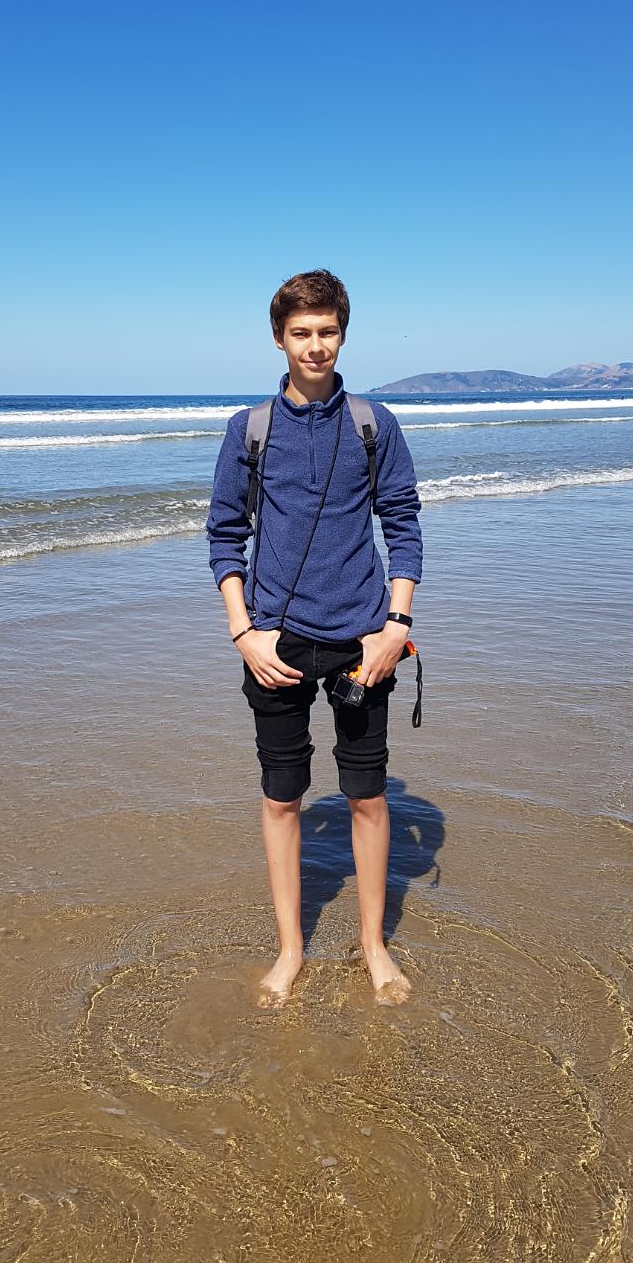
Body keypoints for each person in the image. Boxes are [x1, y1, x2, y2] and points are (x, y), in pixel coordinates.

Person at [206, 269, 424, 1008]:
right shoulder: (250, 429)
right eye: (301, 332)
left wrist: (394, 628)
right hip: (275, 643)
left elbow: (403, 526)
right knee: (281, 799)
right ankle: (290, 949)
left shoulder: (373, 423)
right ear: (279, 339)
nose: (315, 345)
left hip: (364, 640)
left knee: (366, 796)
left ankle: (373, 946)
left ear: (342, 335)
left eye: (327, 331)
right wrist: (244, 633)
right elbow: (224, 535)